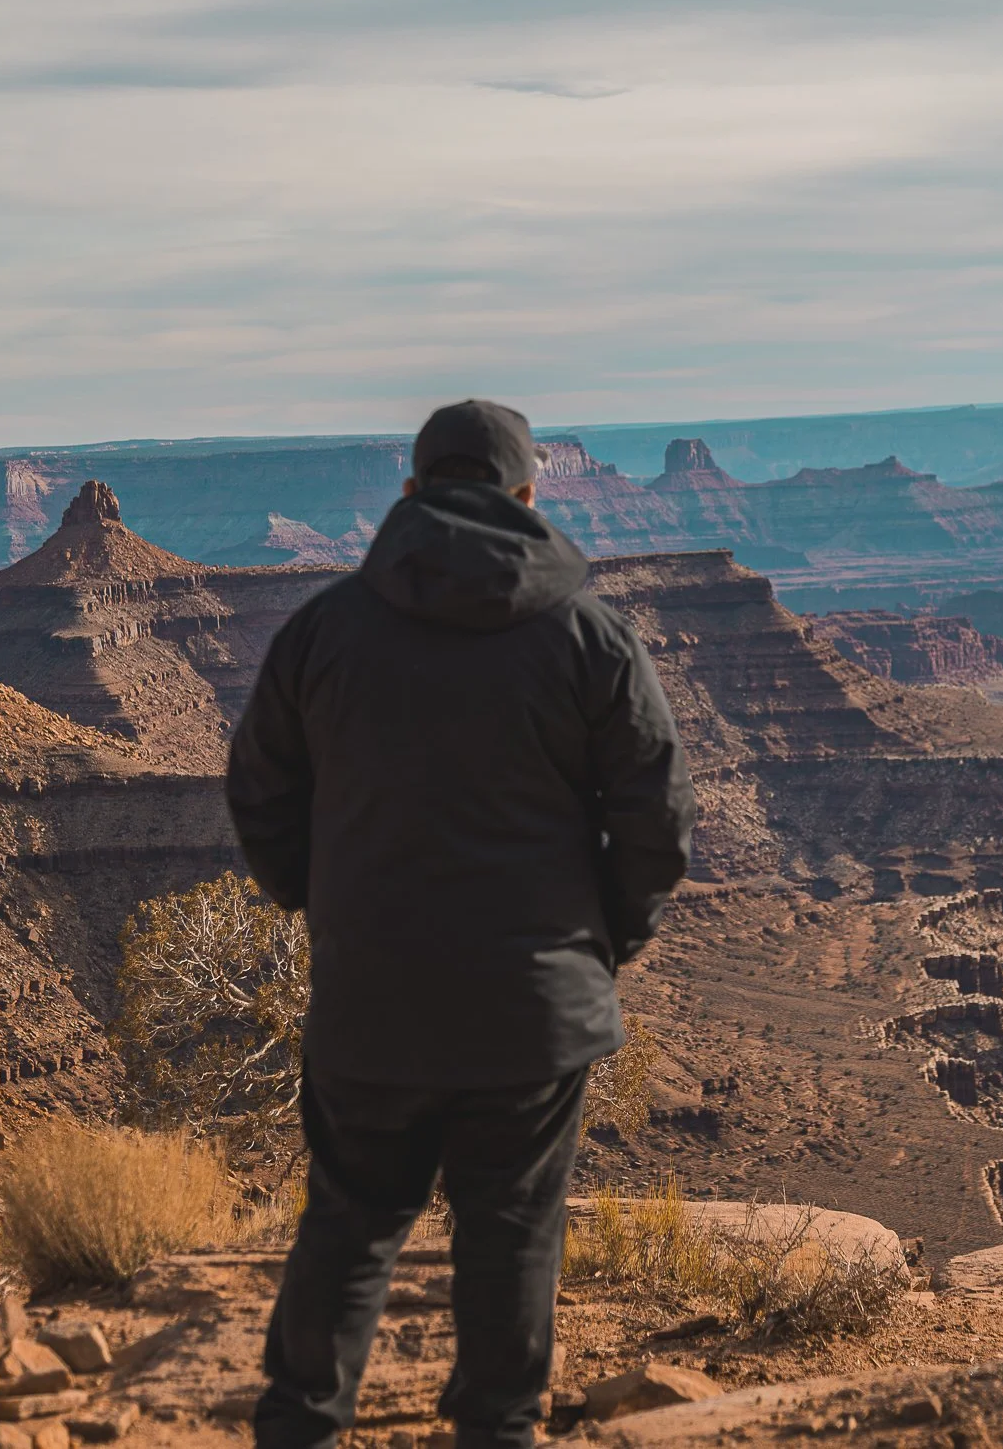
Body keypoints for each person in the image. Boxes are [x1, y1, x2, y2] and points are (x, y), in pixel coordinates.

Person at [227, 398, 696, 1449]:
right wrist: (604, 938)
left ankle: (299, 1426)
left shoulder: (323, 631)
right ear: (530, 496)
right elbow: (657, 811)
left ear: (408, 494)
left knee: (349, 1223)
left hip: (371, 1001)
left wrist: (323, 903)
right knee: (512, 1230)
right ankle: (496, 1430)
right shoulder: (589, 633)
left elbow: (257, 791)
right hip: (531, 1008)